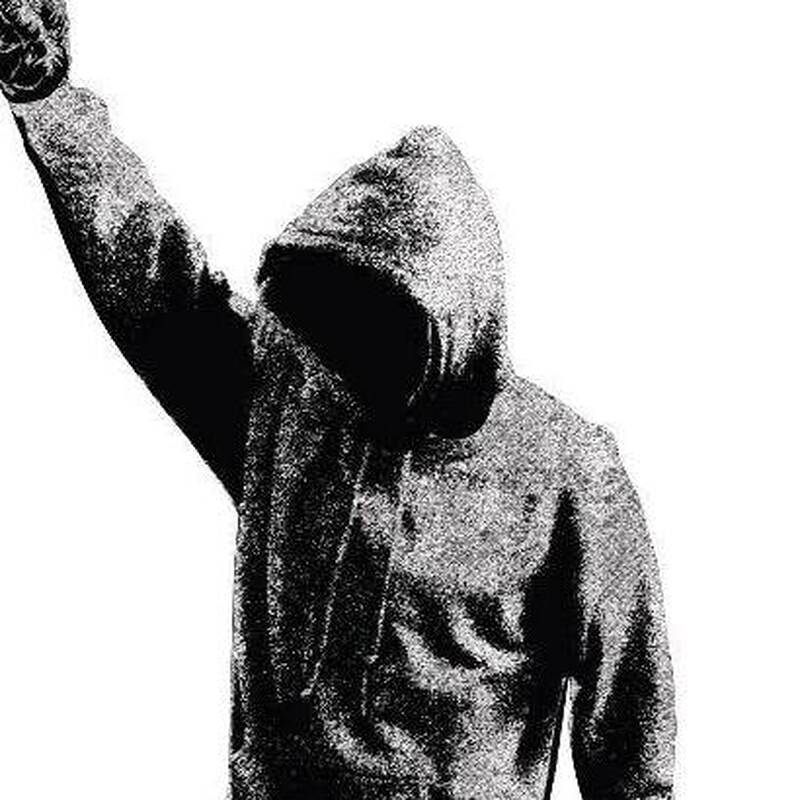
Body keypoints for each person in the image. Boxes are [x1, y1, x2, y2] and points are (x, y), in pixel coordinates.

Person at [1, 3, 676, 798]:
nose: (345, 371)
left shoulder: (569, 473)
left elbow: (631, 730)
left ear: (452, 326)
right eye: (335, 332)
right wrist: (46, 101)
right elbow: (154, 275)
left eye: (377, 337)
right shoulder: (286, 399)